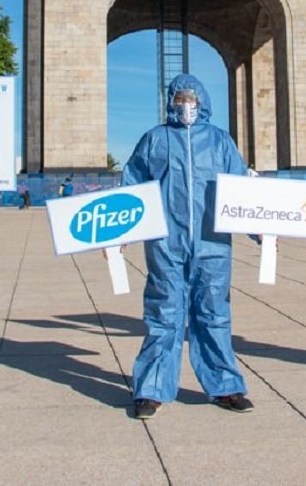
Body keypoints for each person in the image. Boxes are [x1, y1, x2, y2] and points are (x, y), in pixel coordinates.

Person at [121, 73, 254, 420]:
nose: (185, 105)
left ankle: (225, 386)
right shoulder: (155, 140)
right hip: (166, 242)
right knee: (163, 314)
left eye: (191, 98)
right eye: (179, 99)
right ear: (169, 102)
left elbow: (243, 189)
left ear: (203, 101)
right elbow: (131, 187)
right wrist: (119, 232)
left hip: (212, 243)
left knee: (213, 313)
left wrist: (262, 229)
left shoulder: (220, 141)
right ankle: (150, 389)